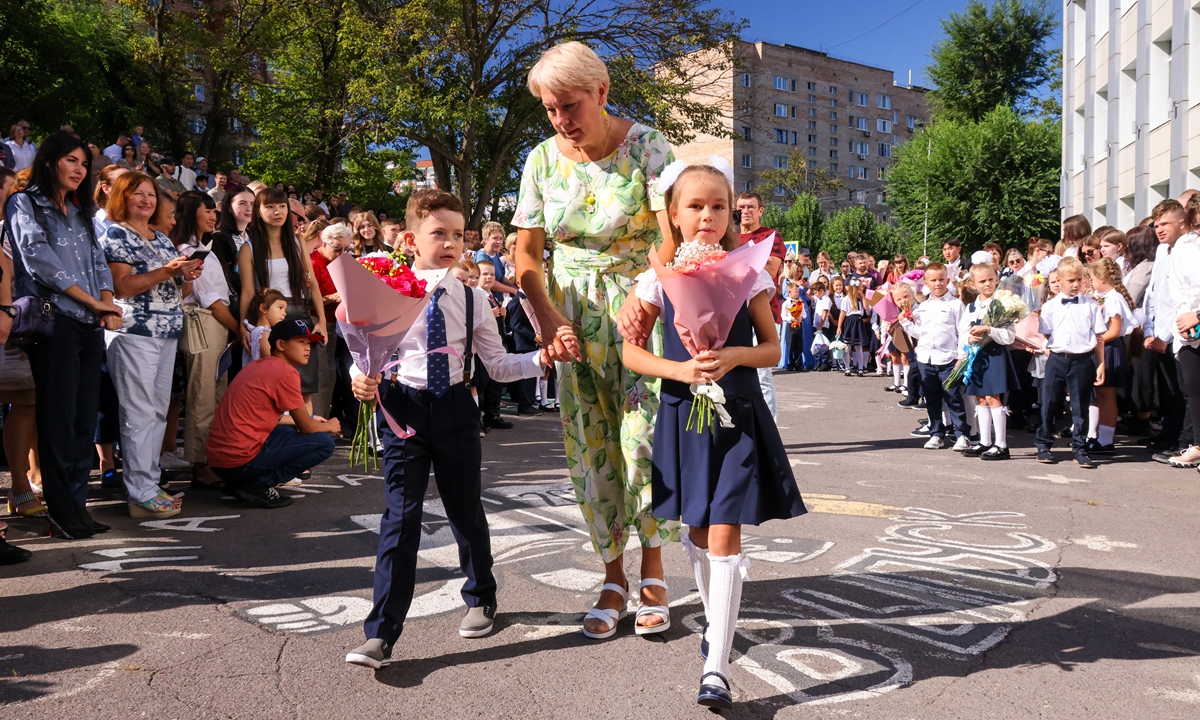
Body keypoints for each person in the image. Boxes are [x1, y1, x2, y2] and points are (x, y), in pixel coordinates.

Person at [620, 163, 804, 709]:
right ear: (673, 215)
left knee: (725, 530)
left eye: (718, 207)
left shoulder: (750, 273)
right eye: (695, 206)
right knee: (697, 529)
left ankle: (716, 667)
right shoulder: (657, 276)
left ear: (732, 215)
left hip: (738, 415)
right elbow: (632, 350)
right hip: (683, 411)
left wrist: (732, 357)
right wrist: (680, 372)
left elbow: (772, 349)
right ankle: (715, 627)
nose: (707, 216)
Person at [513, 41, 679, 638]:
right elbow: (526, 253)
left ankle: (655, 570)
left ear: (602, 93)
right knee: (591, 447)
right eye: (550, 109)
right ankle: (612, 576)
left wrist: (646, 291)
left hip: (642, 311)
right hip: (572, 316)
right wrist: (547, 313)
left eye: (569, 105)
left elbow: (673, 233)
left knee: (644, 441)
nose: (561, 119)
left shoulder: (648, 146)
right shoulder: (539, 161)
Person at [344, 189, 549, 669]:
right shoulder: (386, 287)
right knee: (400, 518)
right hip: (402, 409)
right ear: (411, 239)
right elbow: (364, 353)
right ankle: (381, 633)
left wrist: (541, 359)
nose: (451, 242)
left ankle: (481, 595)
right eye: (439, 233)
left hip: (456, 406)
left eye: (459, 234)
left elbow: (496, 365)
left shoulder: (475, 300)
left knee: (464, 508)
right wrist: (360, 377)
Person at [6, 133, 123, 538]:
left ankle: (77, 505)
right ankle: (59, 509)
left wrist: (106, 305)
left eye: (83, 164)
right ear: (50, 161)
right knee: (56, 418)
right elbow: (38, 260)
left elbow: (99, 262)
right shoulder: (25, 202)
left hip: (91, 322)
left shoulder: (82, 209)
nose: (78, 169)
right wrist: (93, 303)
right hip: (55, 321)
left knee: (82, 417)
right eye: (70, 160)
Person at [100, 172, 202, 518]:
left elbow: (177, 290)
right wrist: (168, 271)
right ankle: (139, 491)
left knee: (158, 410)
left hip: (167, 331)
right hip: (134, 332)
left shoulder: (160, 238)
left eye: (150, 195)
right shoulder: (116, 234)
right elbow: (122, 287)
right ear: (121, 198)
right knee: (138, 413)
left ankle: (148, 483)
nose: (146, 200)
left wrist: (186, 276)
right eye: (137, 194)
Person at [206, 319, 338, 507]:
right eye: (301, 342)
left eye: (309, 343)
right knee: (324, 443)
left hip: (219, 462)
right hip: (238, 461)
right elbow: (307, 428)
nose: (308, 348)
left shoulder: (258, 365)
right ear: (281, 344)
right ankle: (257, 485)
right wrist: (329, 426)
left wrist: (309, 419)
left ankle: (238, 484)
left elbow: (264, 418)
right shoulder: (285, 372)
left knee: (288, 432)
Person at [172, 191, 239, 487]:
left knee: (216, 394)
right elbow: (209, 299)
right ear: (190, 213)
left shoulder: (204, 246)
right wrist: (239, 327)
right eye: (207, 210)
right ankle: (199, 464)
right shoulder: (187, 250)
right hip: (205, 321)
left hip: (217, 323)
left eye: (215, 211)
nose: (213, 215)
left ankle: (212, 458)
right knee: (202, 394)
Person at [238, 187, 327, 404]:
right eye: (269, 207)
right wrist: (243, 326)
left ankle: (307, 435)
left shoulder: (297, 243)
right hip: (268, 317)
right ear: (258, 212)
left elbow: (313, 284)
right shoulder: (248, 249)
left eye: (282, 206)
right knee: (271, 385)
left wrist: (322, 321)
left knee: (303, 385)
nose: (277, 211)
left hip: (299, 313)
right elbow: (248, 291)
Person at [1036, 257, 1108, 468]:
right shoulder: (1050, 306)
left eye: (1079, 279)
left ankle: (1080, 448)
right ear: (1059, 280)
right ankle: (1043, 444)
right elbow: (1047, 333)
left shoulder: (1091, 306)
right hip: (1057, 358)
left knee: (1080, 406)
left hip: (1082, 360)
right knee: (1049, 403)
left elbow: (1099, 338)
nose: (1075, 284)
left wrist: (1101, 363)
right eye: (1070, 280)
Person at [901, 262, 971, 450]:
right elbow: (919, 332)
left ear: (948, 281)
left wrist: (961, 356)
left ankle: (962, 434)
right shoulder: (922, 306)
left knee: (953, 398)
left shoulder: (955, 304)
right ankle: (936, 433)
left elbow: (963, 331)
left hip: (948, 359)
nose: (938, 284)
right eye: (933, 280)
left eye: (941, 279)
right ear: (926, 283)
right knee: (931, 399)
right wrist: (907, 324)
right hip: (926, 359)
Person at [1145, 200, 1193, 462]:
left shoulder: (1187, 252)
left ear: (1181, 223)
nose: (1159, 230)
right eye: (1157, 225)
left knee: (1183, 394)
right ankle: (1170, 435)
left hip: (1179, 334)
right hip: (1162, 334)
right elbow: (1155, 297)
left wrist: (1166, 335)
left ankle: (1184, 442)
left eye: (1165, 224)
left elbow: (1181, 302)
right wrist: (1151, 331)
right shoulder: (1165, 253)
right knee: (1168, 393)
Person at [959, 263, 1017, 460]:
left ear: (997, 279)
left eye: (991, 279)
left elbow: (1009, 337)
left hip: (994, 354)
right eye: (982, 281)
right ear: (973, 284)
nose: (987, 284)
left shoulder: (1002, 304)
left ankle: (1001, 444)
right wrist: (969, 339)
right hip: (977, 356)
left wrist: (989, 330)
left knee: (993, 397)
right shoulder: (972, 306)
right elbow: (963, 332)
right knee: (980, 398)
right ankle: (985, 441)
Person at [1085, 258, 1134, 455]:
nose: (1091, 282)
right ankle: (1100, 437)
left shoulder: (1114, 298)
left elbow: (1115, 329)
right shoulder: (1106, 295)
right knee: (1103, 394)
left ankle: (1106, 440)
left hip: (1109, 348)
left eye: (1092, 278)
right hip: (1104, 346)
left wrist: (1095, 342)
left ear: (1102, 278)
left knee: (1107, 394)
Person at [1168, 193, 1200, 470]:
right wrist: (1185, 321)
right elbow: (1178, 289)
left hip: (1197, 316)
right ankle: (1198, 446)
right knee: (1194, 387)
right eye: (1196, 225)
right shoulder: (1184, 246)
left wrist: (1197, 315)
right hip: (1189, 328)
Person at [310, 223, 352, 418]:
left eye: (346, 249)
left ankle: (325, 418)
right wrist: (335, 297)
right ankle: (317, 421)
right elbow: (308, 299)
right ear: (324, 243)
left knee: (329, 374)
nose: (342, 253)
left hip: (334, 324)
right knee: (319, 374)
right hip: (315, 322)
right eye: (337, 249)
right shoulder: (313, 262)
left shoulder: (340, 262)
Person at [474, 221, 519, 296]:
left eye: (501, 238)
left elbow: (501, 278)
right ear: (486, 239)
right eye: (495, 238)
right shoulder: (482, 257)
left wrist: (516, 288)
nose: (498, 242)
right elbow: (489, 282)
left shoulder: (496, 253)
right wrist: (513, 290)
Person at [835, 279, 869, 376]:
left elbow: (866, 308)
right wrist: (839, 327)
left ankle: (861, 368)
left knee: (859, 346)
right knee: (847, 346)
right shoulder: (846, 299)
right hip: (849, 322)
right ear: (857, 288)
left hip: (859, 321)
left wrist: (863, 297)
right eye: (861, 287)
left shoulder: (861, 298)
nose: (862, 288)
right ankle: (847, 368)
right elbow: (843, 313)